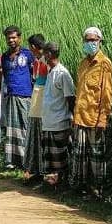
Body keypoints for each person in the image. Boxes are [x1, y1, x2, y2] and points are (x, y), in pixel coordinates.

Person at [70, 27, 112, 197]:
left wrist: (103, 117)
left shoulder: (104, 64)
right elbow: (79, 90)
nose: (91, 43)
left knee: (96, 155)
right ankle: (80, 186)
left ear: (100, 41)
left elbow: (107, 92)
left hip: (95, 117)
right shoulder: (82, 64)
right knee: (79, 153)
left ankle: (97, 188)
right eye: (87, 40)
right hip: (80, 116)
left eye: (94, 40)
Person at [40, 42, 75, 186]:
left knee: (61, 153)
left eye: (44, 54)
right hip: (49, 120)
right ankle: (53, 179)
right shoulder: (50, 72)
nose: (43, 57)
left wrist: (72, 116)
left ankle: (63, 180)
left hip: (60, 120)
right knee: (51, 154)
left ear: (49, 54)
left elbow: (70, 98)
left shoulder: (62, 73)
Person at [0, 26, 35, 169]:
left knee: (25, 128)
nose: (11, 40)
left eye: (14, 37)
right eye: (9, 38)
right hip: (10, 95)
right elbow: (5, 76)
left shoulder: (27, 55)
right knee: (11, 128)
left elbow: (34, 74)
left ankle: (26, 160)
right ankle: (11, 160)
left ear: (19, 38)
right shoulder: (4, 57)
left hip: (25, 96)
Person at [24, 34, 47, 179]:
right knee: (35, 135)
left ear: (33, 47)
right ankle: (35, 168)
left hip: (43, 103)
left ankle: (43, 169)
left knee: (42, 136)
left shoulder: (46, 61)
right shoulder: (38, 61)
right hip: (36, 102)